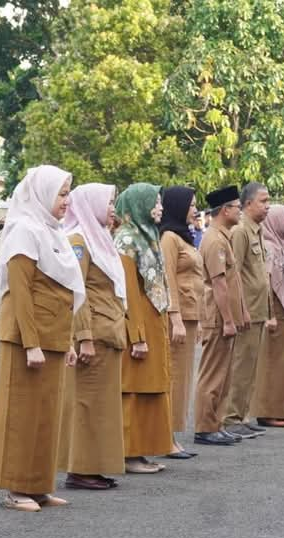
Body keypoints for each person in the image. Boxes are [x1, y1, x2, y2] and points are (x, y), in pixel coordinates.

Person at [0, 165, 82, 512]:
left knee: (47, 415)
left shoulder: (52, 231)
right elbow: (21, 291)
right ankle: (16, 487)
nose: (66, 201)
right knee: (21, 414)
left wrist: (67, 340)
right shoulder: (24, 230)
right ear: (41, 194)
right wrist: (31, 343)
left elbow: (66, 292)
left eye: (68, 193)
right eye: (61, 193)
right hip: (28, 338)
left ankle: (40, 485)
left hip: (52, 336)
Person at [57, 183, 127, 490]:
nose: (112, 208)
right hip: (94, 333)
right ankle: (81, 468)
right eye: (109, 202)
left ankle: (94, 466)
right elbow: (77, 291)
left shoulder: (100, 240)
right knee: (86, 404)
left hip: (109, 331)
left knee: (102, 406)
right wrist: (83, 336)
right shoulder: (79, 241)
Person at [113, 183, 174, 472]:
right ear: (139, 204)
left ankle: (143, 450)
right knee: (134, 389)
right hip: (138, 325)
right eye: (155, 202)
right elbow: (128, 293)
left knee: (151, 387)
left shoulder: (147, 235)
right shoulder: (126, 240)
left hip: (154, 320)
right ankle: (129, 453)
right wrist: (136, 336)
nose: (160, 207)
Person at [193, 186, 245, 446]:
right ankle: (204, 426)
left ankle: (217, 422)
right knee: (212, 373)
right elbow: (218, 284)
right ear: (225, 210)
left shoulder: (223, 237)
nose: (240, 211)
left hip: (227, 315)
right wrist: (227, 319)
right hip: (217, 316)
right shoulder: (213, 239)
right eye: (237, 207)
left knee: (224, 374)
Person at [222, 182, 270, 439]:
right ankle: (230, 417)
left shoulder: (257, 231)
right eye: (263, 200)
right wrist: (238, 310)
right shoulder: (241, 232)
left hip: (258, 309)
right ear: (248, 204)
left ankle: (242, 414)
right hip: (247, 311)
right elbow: (234, 273)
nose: (268, 205)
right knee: (240, 365)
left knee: (251, 367)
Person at [250, 204, 284, 427]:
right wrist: (270, 314)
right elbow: (266, 282)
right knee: (273, 364)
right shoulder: (270, 247)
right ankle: (267, 411)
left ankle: (279, 409)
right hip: (276, 312)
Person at [159, 185, 203, 458]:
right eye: (191, 205)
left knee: (183, 378)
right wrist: (174, 316)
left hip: (190, 315)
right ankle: (166, 437)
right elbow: (168, 279)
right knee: (173, 376)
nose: (195, 209)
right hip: (177, 316)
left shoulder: (184, 237)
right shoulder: (169, 239)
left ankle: (172, 434)